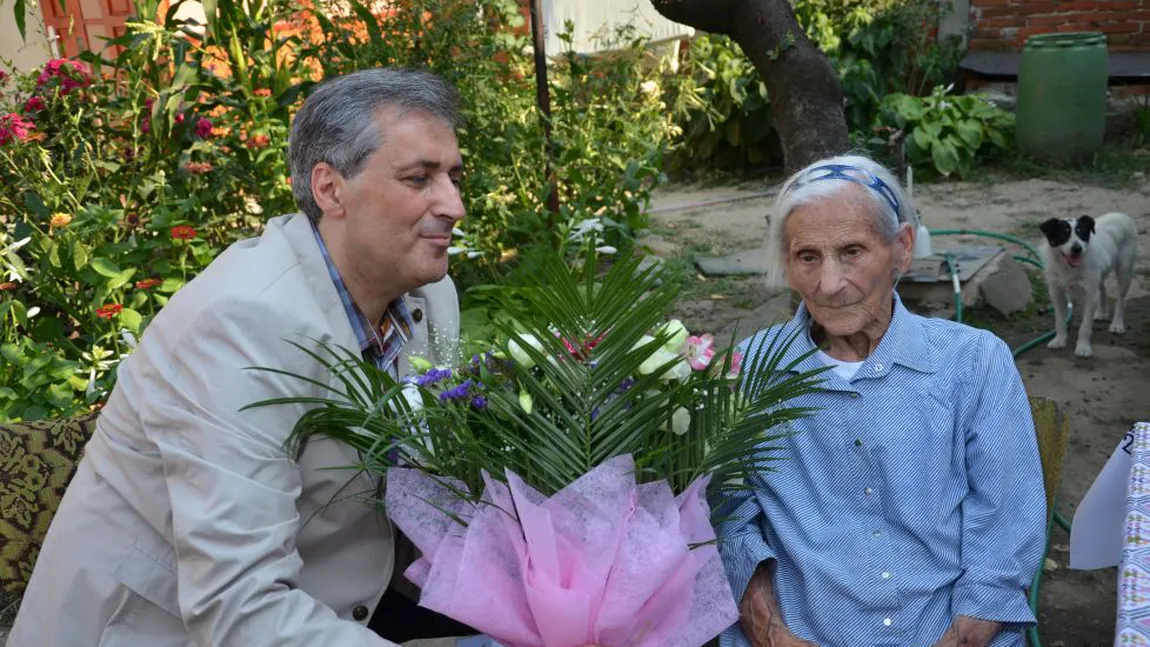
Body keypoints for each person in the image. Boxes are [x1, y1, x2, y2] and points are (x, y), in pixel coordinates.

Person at [8, 67, 477, 646]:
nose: (453, 204)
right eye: (418, 179)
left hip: (339, 595)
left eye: (454, 176)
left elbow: (427, 480)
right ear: (330, 189)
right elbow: (236, 608)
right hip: (168, 627)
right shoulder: (239, 324)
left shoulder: (430, 295)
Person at [719, 154, 1047, 647]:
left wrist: (962, 637)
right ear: (788, 265)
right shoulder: (752, 369)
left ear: (902, 248)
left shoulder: (973, 362)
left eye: (852, 251)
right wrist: (774, 636)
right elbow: (728, 522)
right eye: (808, 257)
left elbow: (1006, 527)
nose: (830, 283)